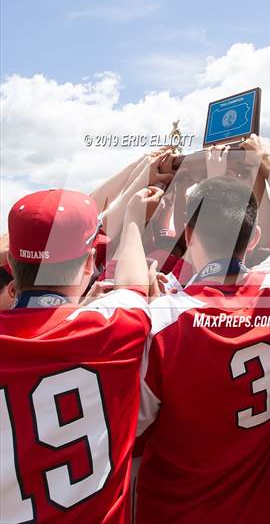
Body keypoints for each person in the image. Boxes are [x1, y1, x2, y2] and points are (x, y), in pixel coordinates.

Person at [135, 135, 270, 524]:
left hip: (177, 512)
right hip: (264, 510)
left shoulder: (161, 320)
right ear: (252, 239)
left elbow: (130, 431)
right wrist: (269, 166)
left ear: (187, 236)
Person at [0, 186, 158, 523]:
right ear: (89, 264)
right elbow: (134, 287)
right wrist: (132, 220)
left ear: (12, 266)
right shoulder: (114, 328)